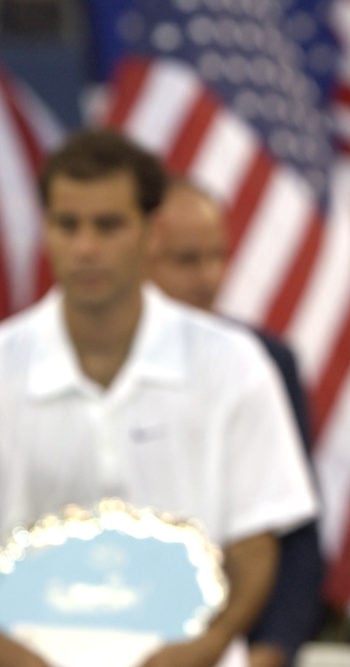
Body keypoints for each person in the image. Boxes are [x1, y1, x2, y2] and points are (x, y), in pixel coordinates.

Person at [0, 128, 319, 667]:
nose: (85, 247)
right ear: (45, 230)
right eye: (67, 224)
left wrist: (206, 647)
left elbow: (256, 543)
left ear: (151, 231)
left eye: (108, 225)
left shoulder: (235, 363)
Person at [148, 179, 325, 667]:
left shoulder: (263, 362)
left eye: (218, 257)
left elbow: (295, 527)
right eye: (186, 260)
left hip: (231, 646)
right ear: (140, 256)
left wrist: (272, 651)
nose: (208, 277)